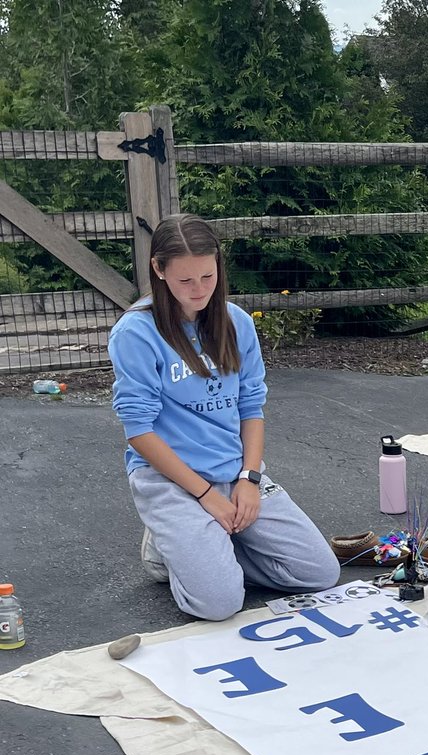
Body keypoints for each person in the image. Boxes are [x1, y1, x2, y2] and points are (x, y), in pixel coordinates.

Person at [108, 213, 339, 620]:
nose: (198, 291)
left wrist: (249, 480)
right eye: (185, 281)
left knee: (318, 572)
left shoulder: (238, 323)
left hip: (235, 472)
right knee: (218, 604)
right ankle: (165, 553)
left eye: (207, 277)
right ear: (158, 270)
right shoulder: (136, 333)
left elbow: (251, 408)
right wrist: (205, 496)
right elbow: (139, 431)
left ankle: (208, 550)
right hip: (171, 479)